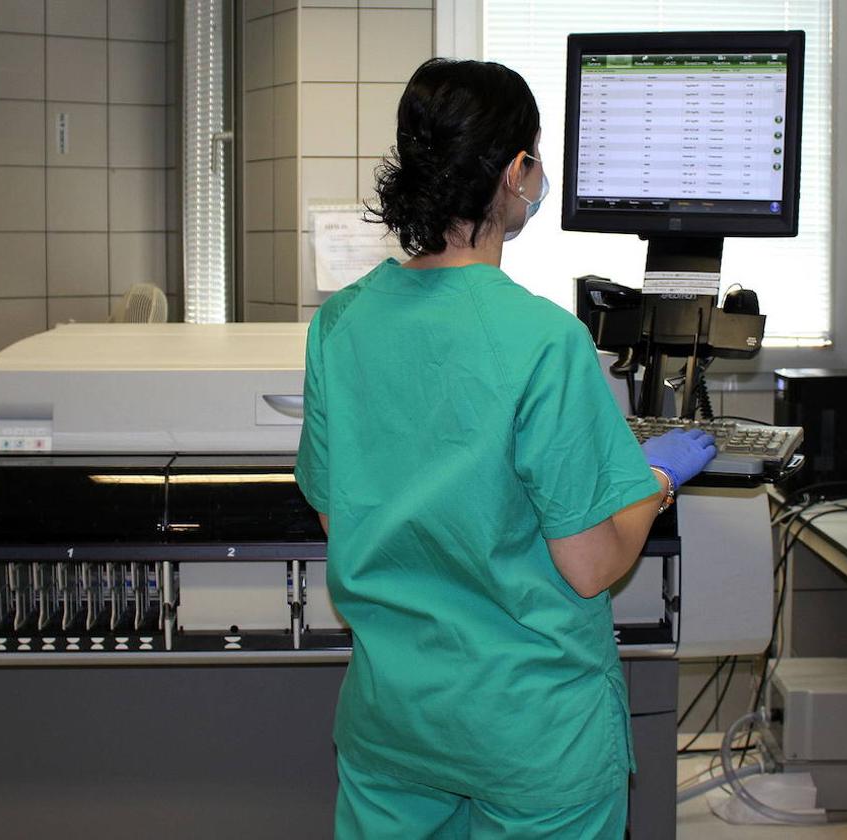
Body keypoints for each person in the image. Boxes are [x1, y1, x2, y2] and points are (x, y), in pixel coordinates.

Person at [295, 57, 717, 839]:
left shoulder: (341, 323)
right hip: (532, 741)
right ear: (518, 171)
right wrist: (653, 479)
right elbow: (590, 562)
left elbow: (340, 518)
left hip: (396, 731)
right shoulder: (543, 341)